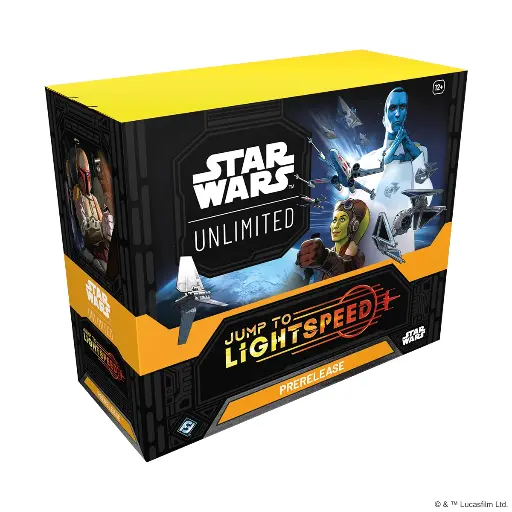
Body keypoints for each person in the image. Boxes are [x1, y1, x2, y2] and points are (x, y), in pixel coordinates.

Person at [297, 199, 369, 279]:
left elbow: (347, 271)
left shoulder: (357, 256)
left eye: (342, 219)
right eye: (334, 220)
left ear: (353, 226)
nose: (335, 225)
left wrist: (325, 259)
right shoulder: (330, 251)